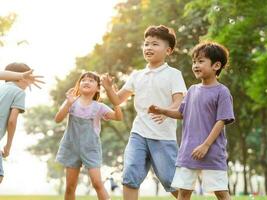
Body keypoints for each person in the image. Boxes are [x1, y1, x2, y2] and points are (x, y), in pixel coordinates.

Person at [101, 25, 187, 200]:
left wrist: (165, 111)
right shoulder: (137, 75)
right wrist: (109, 89)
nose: (148, 48)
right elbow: (117, 100)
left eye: (155, 44)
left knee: (170, 180)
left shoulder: (173, 74)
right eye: (146, 44)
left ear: (168, 50)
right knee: (130, 174)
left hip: (163, 136)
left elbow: (179, 101)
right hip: (138, 133)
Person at [148, 41, 235, 200]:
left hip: (212, 152)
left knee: (221, 192)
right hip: (188, 152)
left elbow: (221, 120)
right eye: (194, 61)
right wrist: (163, 110)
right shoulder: (192, 90)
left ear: (216, 66)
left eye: (201, 61)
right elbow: (182, 114)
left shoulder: (222, 92)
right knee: (184, 192)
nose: (195, 65)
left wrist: (206, 145)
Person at [55, 71, 123, 200]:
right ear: (79, 84)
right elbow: (58, 119)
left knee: (97, 184)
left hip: (91, 149)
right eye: (83, 80)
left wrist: (116, 102)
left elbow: (118, 117)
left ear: (98, 88)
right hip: (71, 147)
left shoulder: (99, 107)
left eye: (91, 80)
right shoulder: (71, 102)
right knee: (70, 187)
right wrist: (68, 103)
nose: (86, 82)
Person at [0, 63, 37, 184]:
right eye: (30, 78)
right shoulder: (18, 92)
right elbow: (12, 121)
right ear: (22, 78)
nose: (30, 82)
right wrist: (8, 146)